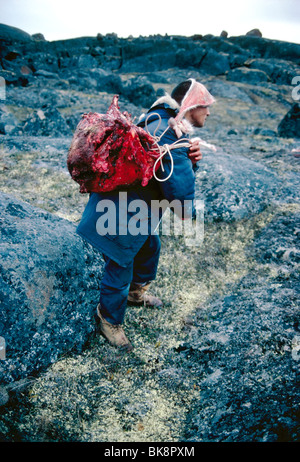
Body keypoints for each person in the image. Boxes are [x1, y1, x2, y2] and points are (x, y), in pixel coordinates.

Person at [76, 78, 215, 351]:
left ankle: (136, 294)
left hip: (129, 205)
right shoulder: (170, 133)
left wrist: (189, 158)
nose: (208, 112)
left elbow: (164, 171)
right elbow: (179, 187)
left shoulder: (156, 119)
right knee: (120, 262)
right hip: (120, 211)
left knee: (150, 245)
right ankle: (109, 320)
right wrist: (188, 206)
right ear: (191, 105)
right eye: (205, 106)